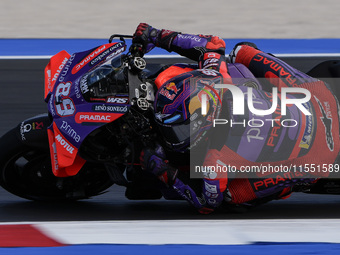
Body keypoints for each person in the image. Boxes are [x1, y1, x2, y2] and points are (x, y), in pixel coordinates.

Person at [132, 23, 340, 214]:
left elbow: (207, 202)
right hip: (321, 100)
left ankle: (291, 186)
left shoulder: (214, 162)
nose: (173, 137)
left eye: (179, 130)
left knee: (232, 197)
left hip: (316, 157)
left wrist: (163, 170)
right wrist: (158, 35)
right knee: (242, 52)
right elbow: (213, 44)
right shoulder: (215, 75)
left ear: (203, 124)